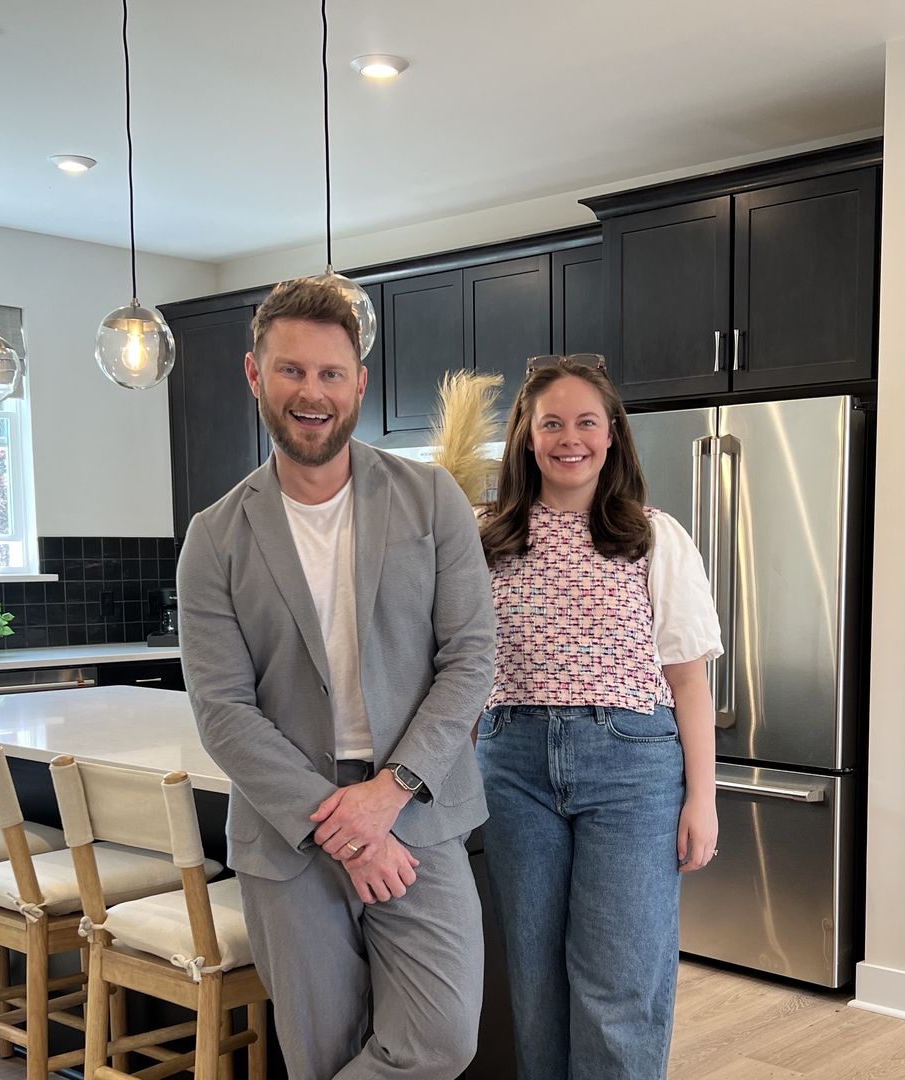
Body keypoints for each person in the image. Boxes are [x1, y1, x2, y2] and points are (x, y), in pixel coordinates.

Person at [176, 277, 495, 1080]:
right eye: (291, 371)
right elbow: (223, 711)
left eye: (329, 374)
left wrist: (387, 797)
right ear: (256, 376)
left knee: (442, 1039)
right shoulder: (214, 538)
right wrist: (339, 827)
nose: (310, 393)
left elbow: (470, 659)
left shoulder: (431, 502)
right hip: (288, 834)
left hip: (418, 813)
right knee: (320, 1053)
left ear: (359, 382)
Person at [475, 354, 723, 1080]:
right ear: (527, 435)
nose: (569, 437)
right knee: (534, 980)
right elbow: (458, 672)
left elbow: (688, 681)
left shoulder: (653, 536)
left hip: (634, 771)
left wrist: (702, 800)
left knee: (619, 982)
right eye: (551, 422)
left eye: (587, 421)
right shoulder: (483, 537)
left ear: (612, 435)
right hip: (511, 767)